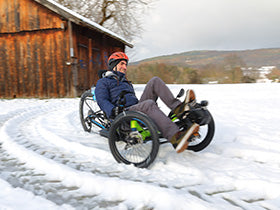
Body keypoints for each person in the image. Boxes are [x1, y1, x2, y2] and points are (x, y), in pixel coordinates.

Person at [95, 52, 199, 153]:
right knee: (148, 104)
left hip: (135, 109)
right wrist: (112, 110)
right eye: (122, 64)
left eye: (126, 64)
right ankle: (175, 137)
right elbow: (101, 99)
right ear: (113, 65)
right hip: (122, 114)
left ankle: (179, 108)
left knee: (155, 81)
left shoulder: (126, 82)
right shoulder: (103, 82)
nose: (125, 67)